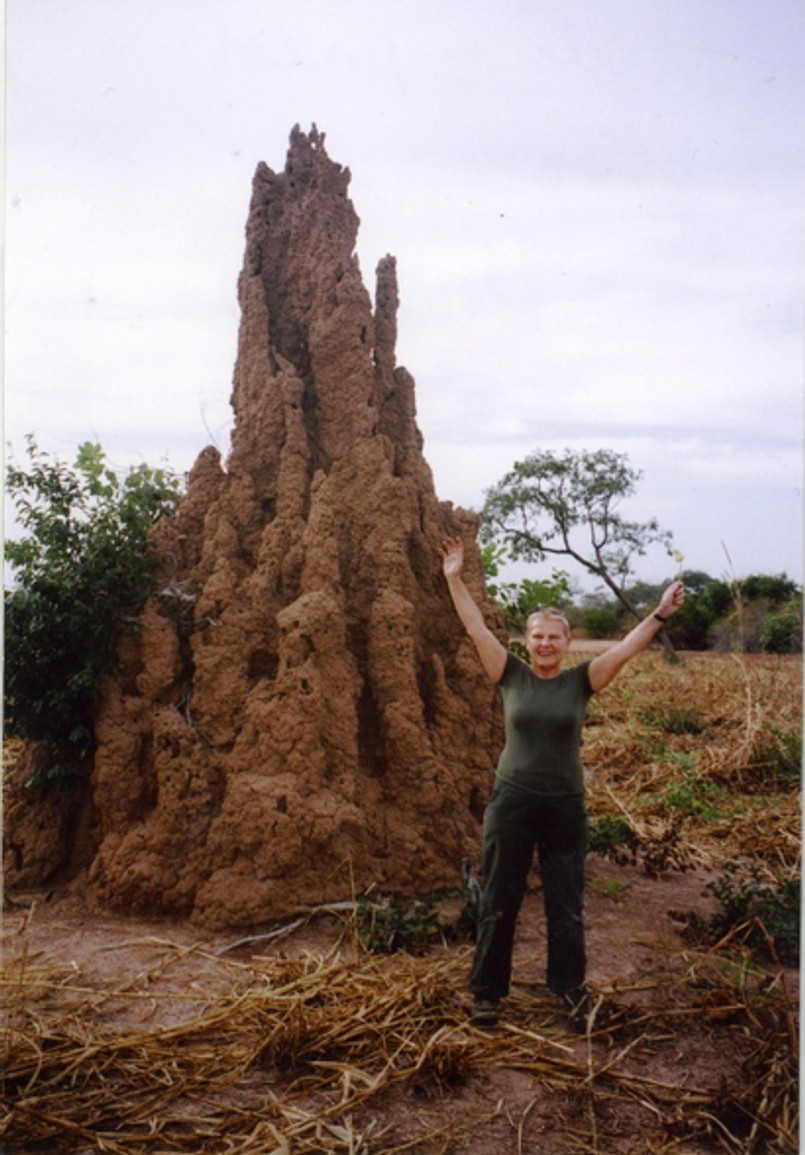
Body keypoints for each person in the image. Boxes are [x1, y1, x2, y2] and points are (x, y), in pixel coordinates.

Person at [440, 535, 686, 1027]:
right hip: (511, 803)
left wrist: (659, 614)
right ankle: (487, 993)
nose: (546, 643)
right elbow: (474, 628)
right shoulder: (509, 674)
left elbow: (626, 649)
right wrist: (453, 577)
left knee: (566, 905)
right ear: (527, 642)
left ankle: (569, 993)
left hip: (564, 807)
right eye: (538, 636)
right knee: (499, 900)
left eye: (555, 636)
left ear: (567, 642)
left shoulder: (582, 680)